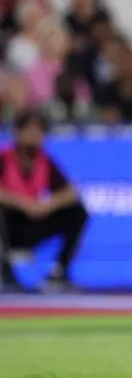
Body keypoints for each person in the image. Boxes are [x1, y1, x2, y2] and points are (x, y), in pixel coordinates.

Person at [0, 110, 89, 293]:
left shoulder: (44, 162)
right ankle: (4, 273)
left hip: (32, 224)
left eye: (39, 131)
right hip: (7, 225)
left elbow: (71, 192)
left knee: (77, 212)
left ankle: (59, 271)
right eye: (29, 130)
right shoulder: (4, 159)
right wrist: (22, 203)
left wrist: (47, 205)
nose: (34, 136)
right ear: (18, 132)